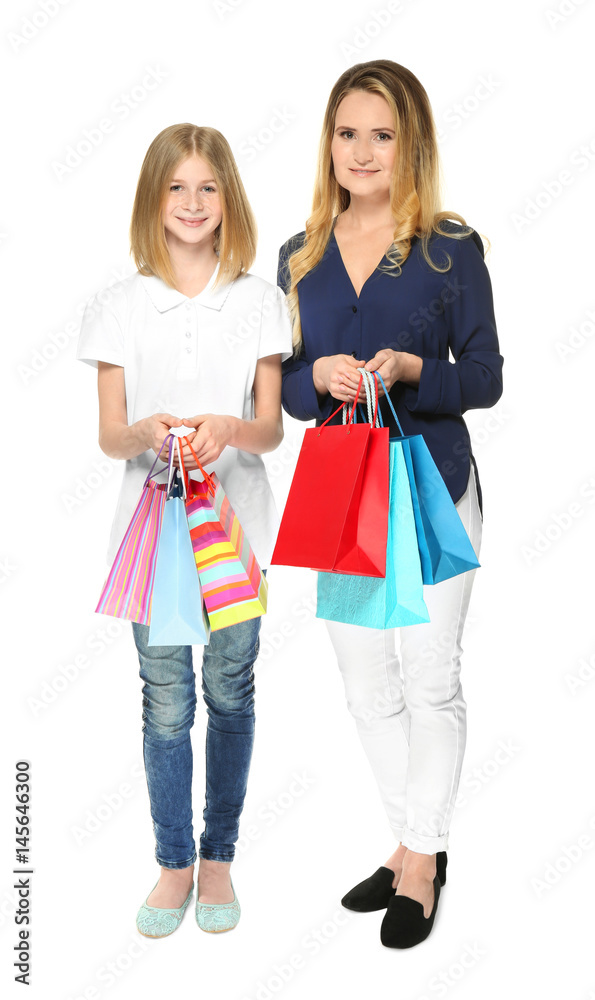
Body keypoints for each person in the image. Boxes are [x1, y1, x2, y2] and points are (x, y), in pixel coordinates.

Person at [277, 60, 503, 948]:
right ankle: (412, 840)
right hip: (343, 494)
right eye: (346, 133)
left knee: (429, 676)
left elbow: (484, 376)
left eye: (382, 134)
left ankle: (421, 858)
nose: (361, 151)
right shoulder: (298, 256)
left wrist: (414, 370)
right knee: (365, 682)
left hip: (434, 486)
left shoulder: (451, 247)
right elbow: (286, 393)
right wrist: (314, 376)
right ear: (327, 143)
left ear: (410, 146)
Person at [77, 123, 293, 936]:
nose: (193, 203)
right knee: (165, 701)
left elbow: (270, 428)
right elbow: (109, 437)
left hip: (241, 536)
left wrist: (225, 430)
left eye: (208, 187)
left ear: (227, 197)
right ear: (153, 199)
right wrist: (151, 433)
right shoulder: (120, 306)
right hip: (151, 539)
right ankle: (173, 863)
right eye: (176, 188)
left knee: (229, 690)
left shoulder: (260, 300)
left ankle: (219, 858)